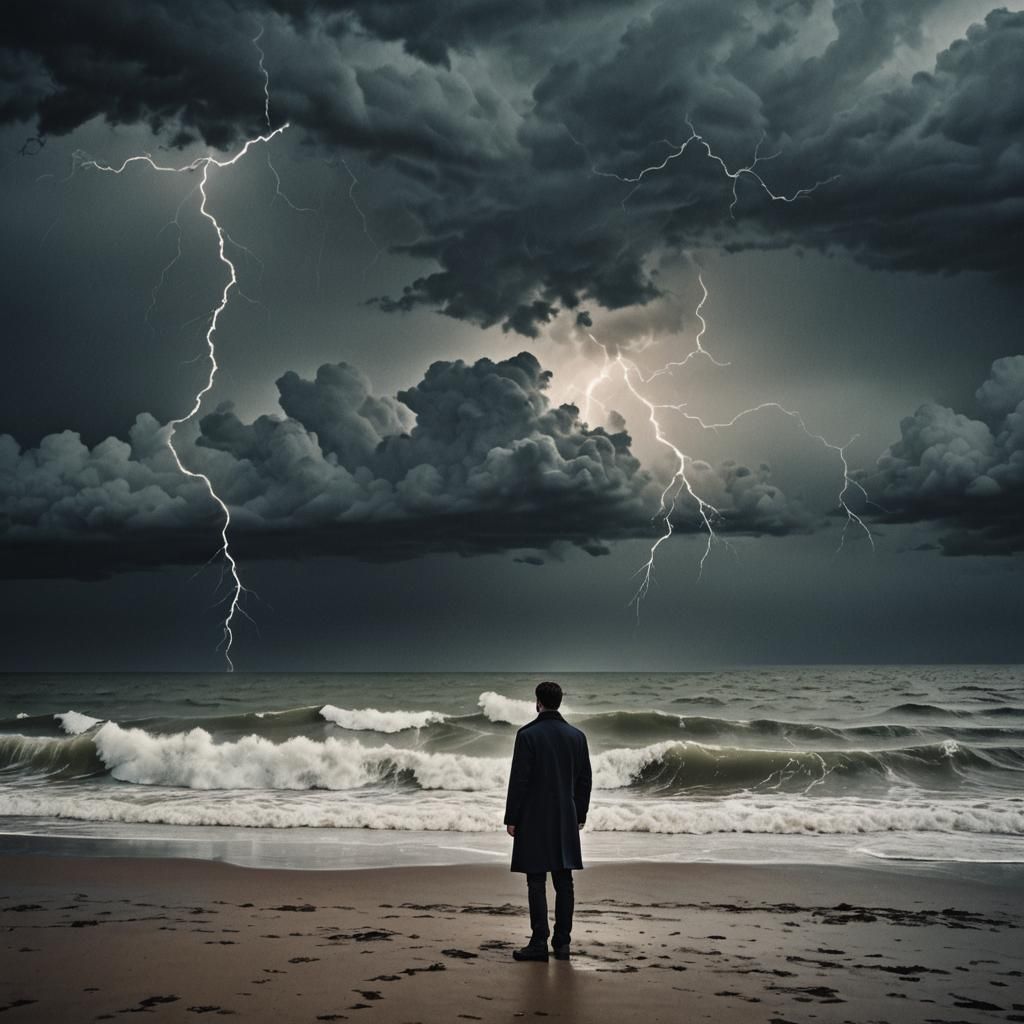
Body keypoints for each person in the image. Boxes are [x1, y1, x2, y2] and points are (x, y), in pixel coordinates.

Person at [503, 680, 592, 962]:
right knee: (564, 880)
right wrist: (580, 814)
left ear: (537, 702)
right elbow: (584, 781)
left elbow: (519, 780)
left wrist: (512, 817)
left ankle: (539, 942)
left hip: (534, 815)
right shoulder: (577, 737)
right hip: (565, 815)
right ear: (560, 702)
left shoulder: (527, 735)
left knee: (536, 879)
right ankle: (563, 943)